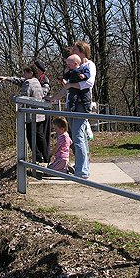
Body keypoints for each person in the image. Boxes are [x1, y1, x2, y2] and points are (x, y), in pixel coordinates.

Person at [0, 63, 50, 163]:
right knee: (40, 136)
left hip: (31, 115)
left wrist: (13, 97)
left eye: (25, 73)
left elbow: (24, 99)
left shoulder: (28, 83)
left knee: (31, 137)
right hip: (40, 114)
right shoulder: (36, 81)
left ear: (30, 73)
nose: (23, 75)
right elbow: (20, 81)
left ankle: (38, 158)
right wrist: (7, 78)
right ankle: (46, 158)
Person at [60, 42, 97, 178]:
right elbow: (67, 88)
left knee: (78, 136)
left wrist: (71, 84)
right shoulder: (74, 66)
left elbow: (88, 83)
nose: (72, 51)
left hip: (81, 104)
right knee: (79, 137)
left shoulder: (89, 65)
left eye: (75, 49)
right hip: (72, 104)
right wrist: (53, 98)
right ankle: (83, 166)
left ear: (81, 51)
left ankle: (82, 171)